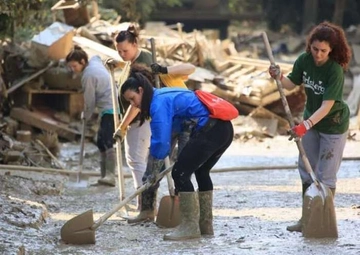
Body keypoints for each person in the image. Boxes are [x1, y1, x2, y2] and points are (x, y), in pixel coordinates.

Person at [120, 71, 234, 240]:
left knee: (180, 173)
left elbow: (161, 142)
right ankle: (205, 225)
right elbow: (176, 127)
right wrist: (155, 171)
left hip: (210, 129)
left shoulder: (157, 103)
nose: (133, 104)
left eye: (132, 98)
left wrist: (153, 172)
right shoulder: (163, 95)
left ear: (141, 90)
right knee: (201, 172)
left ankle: (189, 227)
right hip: (224, 129)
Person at [269, 21, 351, 233]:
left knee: (326, 175)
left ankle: (323, 221)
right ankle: (307, 219)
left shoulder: (335, 70)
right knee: (307, 170)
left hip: (332, 125)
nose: (318, 54)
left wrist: (304, 125)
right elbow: (290, 83)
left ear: (332, 50)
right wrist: (278, 76)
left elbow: (327, 105)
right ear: (310, 46)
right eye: (315, 49)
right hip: (310, 123)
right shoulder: (304, 60)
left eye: (324, 51)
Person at [108, 23, 195, 212]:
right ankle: (147, 208)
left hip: (169, 120)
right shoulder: (133, 63)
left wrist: (123, 126)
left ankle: (157, 208)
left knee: (166, 165)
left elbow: (138, 104)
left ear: (135, 44)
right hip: (165, 120)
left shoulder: (146, 69)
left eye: (125, 50)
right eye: (119, 51)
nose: (122, 54)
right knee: (153, 165)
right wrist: (119, 65)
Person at [66, 45, 117, 186]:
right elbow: (98, 58)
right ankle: (104, 176)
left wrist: (86, 116)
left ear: (82, 61)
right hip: (108, 107)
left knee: (107, 141)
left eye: (74, 66)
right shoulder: (94, 63)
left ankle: (111, 176)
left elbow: (90, 101)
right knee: (100, 141)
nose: (73, 69)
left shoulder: (88, 75)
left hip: (111, 108)